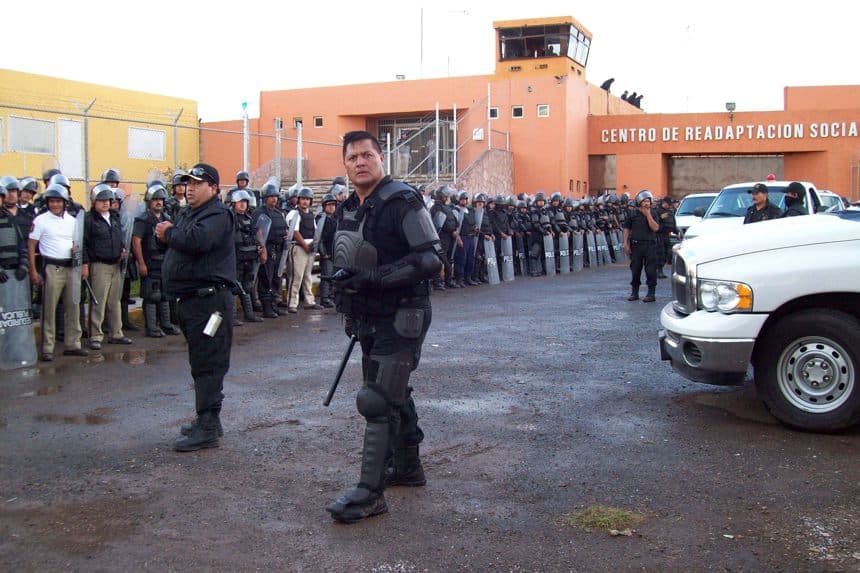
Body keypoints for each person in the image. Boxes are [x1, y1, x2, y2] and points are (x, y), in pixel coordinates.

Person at [326, 131, 443, 524]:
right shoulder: (349, 207)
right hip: (368, 317)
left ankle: (370, 494)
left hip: (404, 313)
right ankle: (407, 468)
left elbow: (429, 259)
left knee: (376, 399)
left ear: (381, 158)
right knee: (393, 393)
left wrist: (374, 279)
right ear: (344, 164)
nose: (360, 162)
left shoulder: (401, 200)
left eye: (367, 155)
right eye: (352, 157)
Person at [157, 163, 236, 452]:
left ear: (213, 188)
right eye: (187, 183)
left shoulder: (217, 214)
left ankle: (207, 426)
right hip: (194, 301)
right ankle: (209, 419)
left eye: (196, 183)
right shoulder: (192, 213)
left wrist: (169, 233)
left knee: (208, 362)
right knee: (201, 361)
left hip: (211, 303)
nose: (189, 188)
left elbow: (198, 241)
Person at [28, 184, 88, 360]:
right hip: (52, 268)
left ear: (64, 202)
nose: (55, 205)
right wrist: (33, 270)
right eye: (52, 201)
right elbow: (31, 246)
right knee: (49, 309)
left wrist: (82, 264)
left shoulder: (72, 221)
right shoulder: (40, 220)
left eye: (58, 201)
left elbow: (78, 245)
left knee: (73, 307)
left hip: (71, 268)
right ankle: (47, 347)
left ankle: (73, 344)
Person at [84, 184, 132, 350]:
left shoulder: (114, 217)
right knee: (98, 301)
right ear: (94, 201)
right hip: (99, 264)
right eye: (101, 200)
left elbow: (119, 236)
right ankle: (96, 335)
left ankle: (116, 333)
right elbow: (84, 242)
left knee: (114, 301)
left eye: (108, 200)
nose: (105, 203)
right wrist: (85, 264)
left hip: (116, 264)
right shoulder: (89, 219)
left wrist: (122, 249)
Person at [133, 182, 181, 338]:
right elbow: (136, 241)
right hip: (150, 261)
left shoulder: (167, 219)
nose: (158, 202)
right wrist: (141, 263)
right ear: (149, 201)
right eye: (155, 199)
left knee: (165, 294)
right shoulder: (143, 219)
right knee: (151, 295)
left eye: (161, 199)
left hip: (164, 262)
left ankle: (166, 324)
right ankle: (152, 327)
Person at [285, 187, 322, 313]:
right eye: (303, 199)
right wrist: (305, 246)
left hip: (309, 248)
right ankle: (291, 303)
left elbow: (315, 231)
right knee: (296, 276)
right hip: (298, 248)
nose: (305, 201)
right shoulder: (294, 214)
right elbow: (294, 232)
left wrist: (313, 246)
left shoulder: (311, 214)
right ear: (298, 200)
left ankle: (309, 301)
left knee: (307, 276)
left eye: (307, 199)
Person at [229, 190, 264, 324]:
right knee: (234, 287)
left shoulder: (250, 218)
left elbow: (256, 235)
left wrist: (259, 246)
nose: (243, 205)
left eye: (245, 202)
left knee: (248, 286)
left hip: (250, 256)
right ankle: (232, 317)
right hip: (237, 257)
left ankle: (249, 314)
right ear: (234, 203)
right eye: (240, 202)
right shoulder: (231, 218)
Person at [623, 190, 660, 303]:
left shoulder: (653, 213)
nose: (647, 203)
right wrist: (625, 243)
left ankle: (651, 293)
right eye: (644, 201)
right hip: (636, 245)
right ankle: (635, 292)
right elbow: (626, 229)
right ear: (639, 202)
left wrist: (648, 214)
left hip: (650, 245)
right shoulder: (632, 214)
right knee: (635, 270)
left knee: (651, 270)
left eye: (648, 201)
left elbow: (655, 228)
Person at [316, 193, 338, 308]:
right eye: (329, 205)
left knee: (334, 275)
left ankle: (331, 296)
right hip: (327, 253)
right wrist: (323, 253)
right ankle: (324, 298)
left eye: (333, 205)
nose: (331, 207)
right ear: (324, 206)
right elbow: (319, 238)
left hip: (335, 252)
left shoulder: (335, 218)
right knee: (327, 275)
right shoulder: (321, 218)